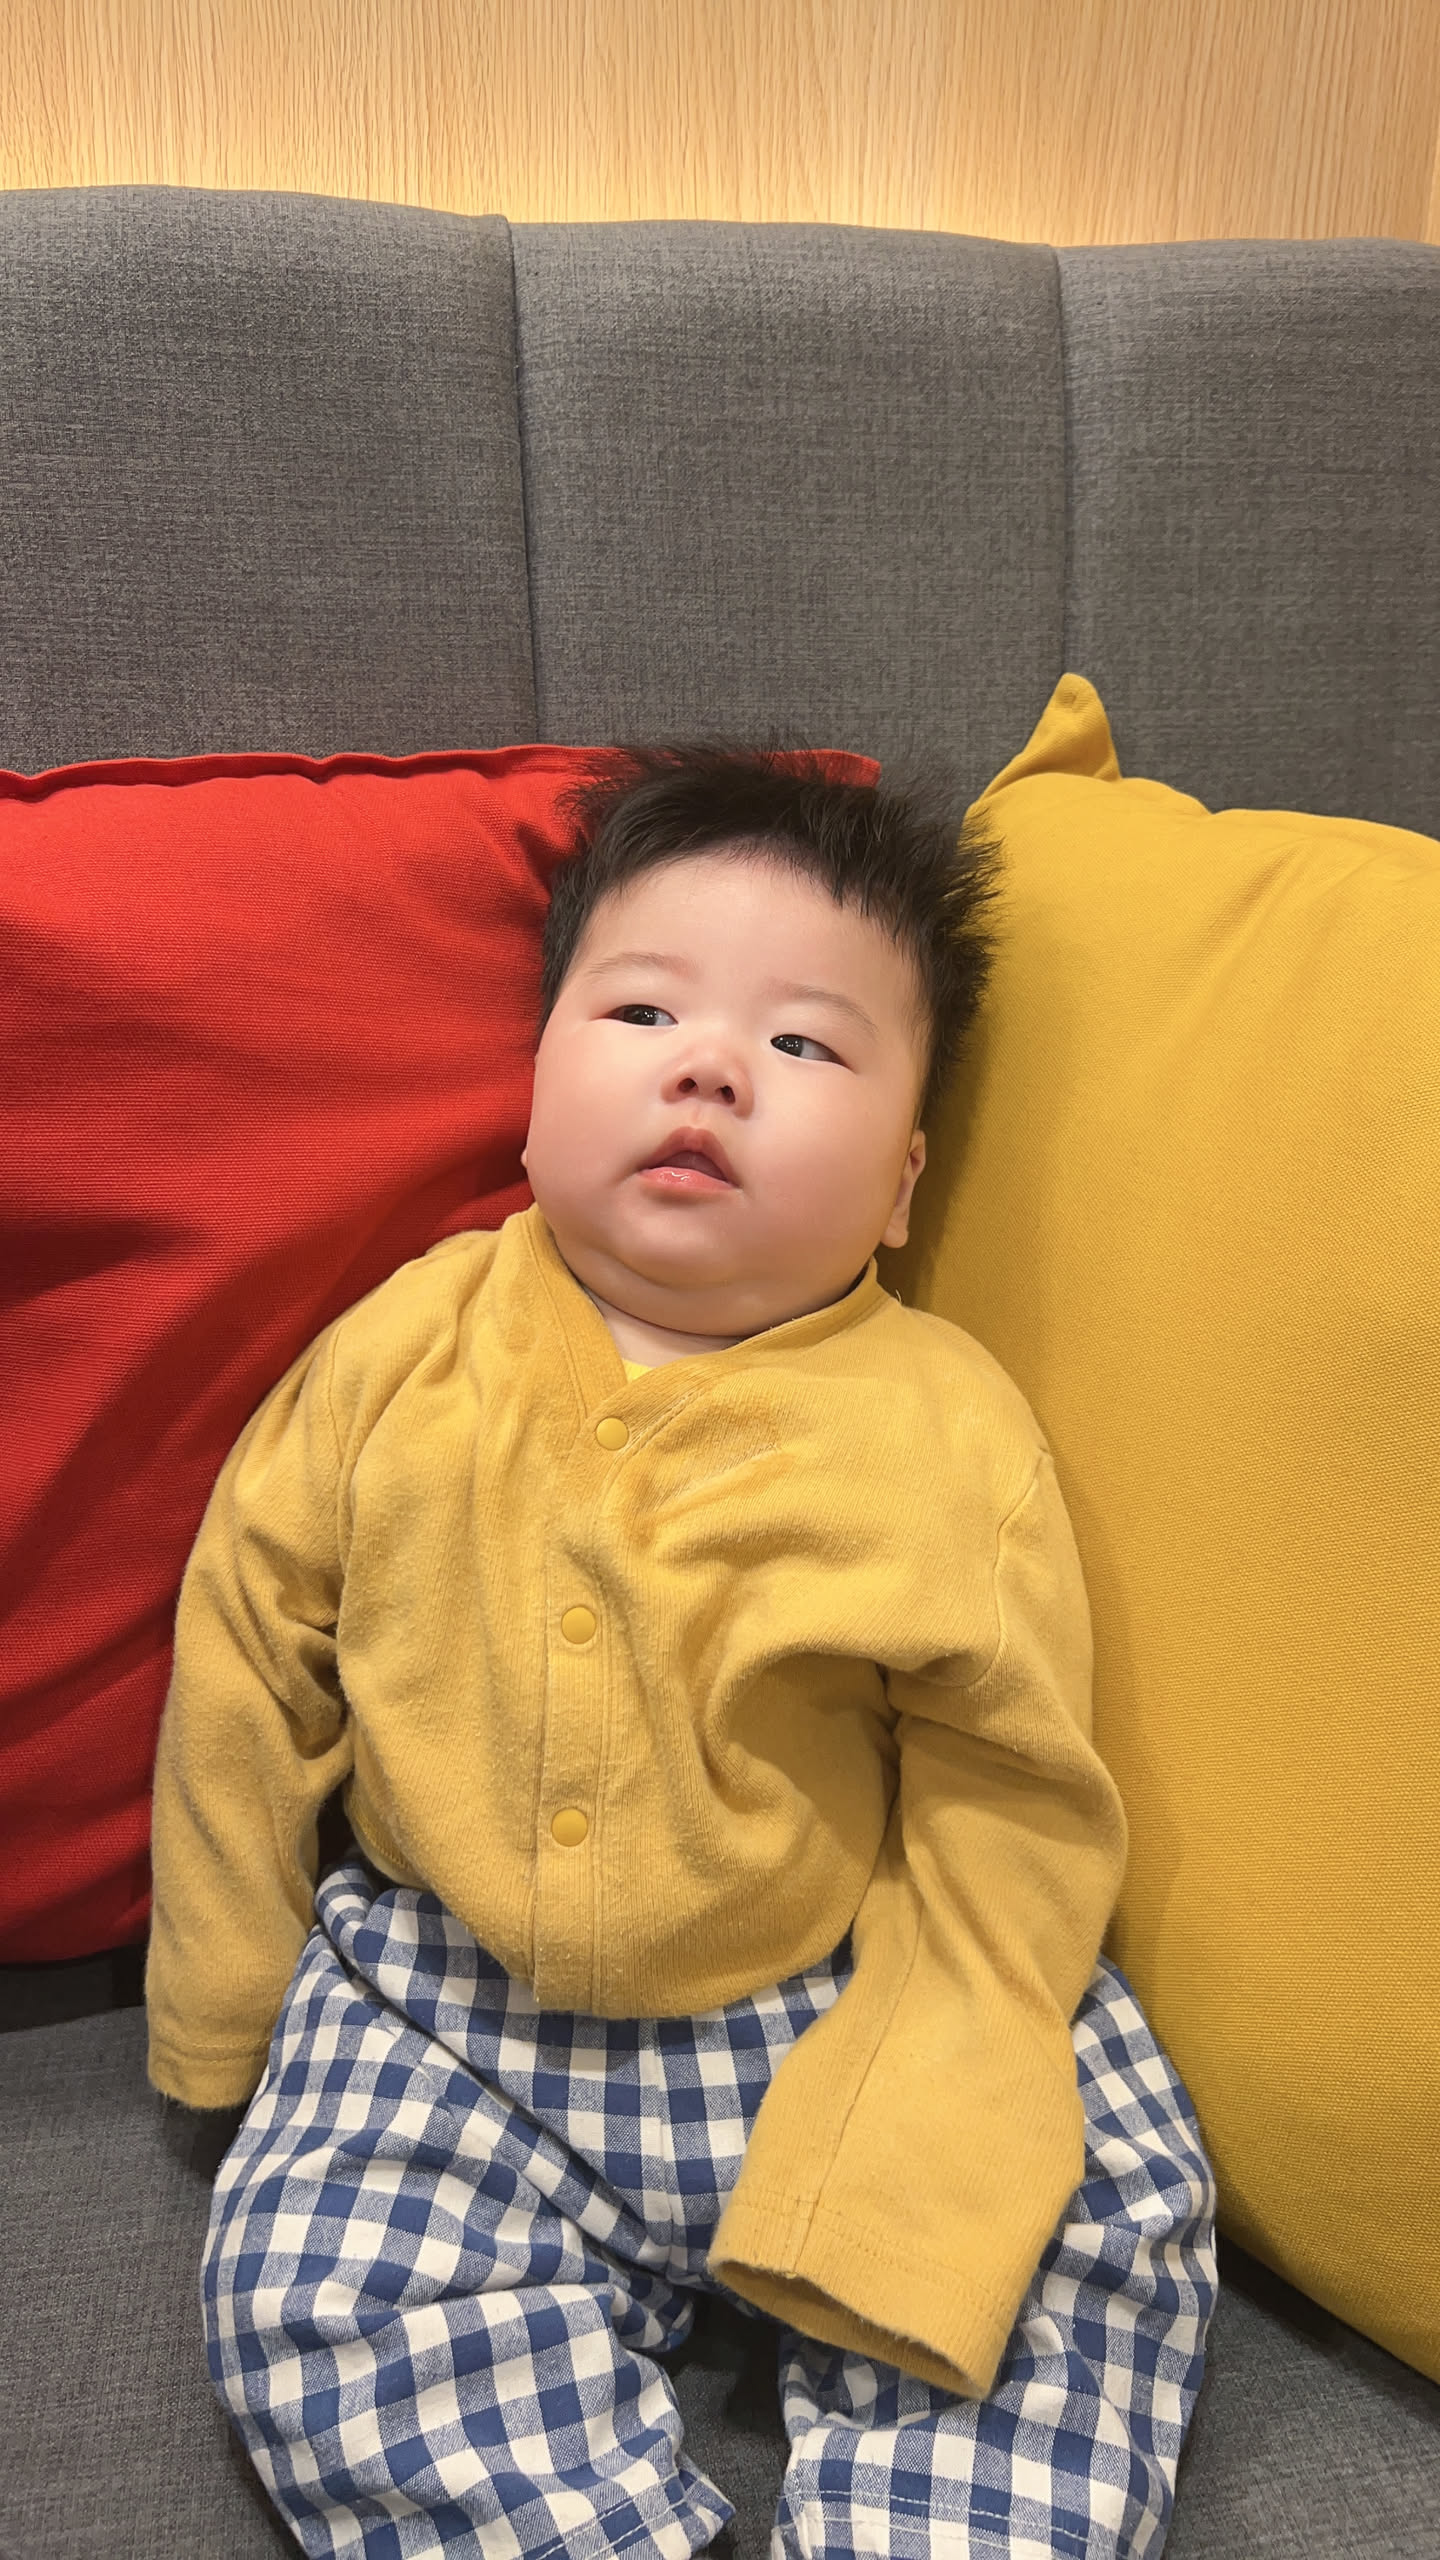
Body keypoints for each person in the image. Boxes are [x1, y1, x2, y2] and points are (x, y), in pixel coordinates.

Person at [146, 745, 1218, 2560]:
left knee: (1104, 2207)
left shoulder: (945, 1426)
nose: (712, 1066)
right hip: (454, 2008)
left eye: (806, 1045)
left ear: (903, 1184)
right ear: (533, 1095)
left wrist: (944, 2063)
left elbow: (1012, 1775)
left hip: (834, 1996)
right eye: (643, 1012)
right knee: (312, 2292)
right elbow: (252, 1650)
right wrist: (227, 1996)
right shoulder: (407, 1347)